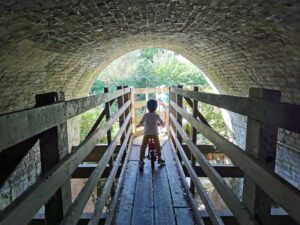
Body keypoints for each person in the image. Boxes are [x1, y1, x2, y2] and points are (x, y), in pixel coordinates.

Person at [137, 99, 165, 170]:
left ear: (147, 107)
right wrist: (162, 124)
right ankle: (159, 159)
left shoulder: (145, 115)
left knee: (143, 146)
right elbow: (161, 122)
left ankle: (141, 161)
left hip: (147, 134)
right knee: (158, 145)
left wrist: (139, 125)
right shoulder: (156, 115)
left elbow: (141, 122)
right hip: (155, 134)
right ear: (156, 107)